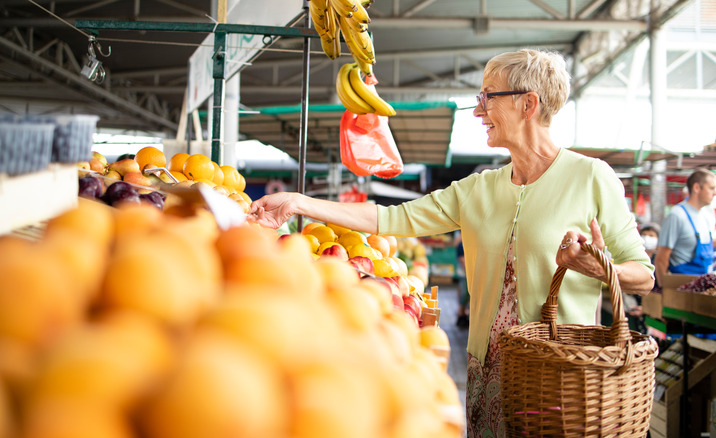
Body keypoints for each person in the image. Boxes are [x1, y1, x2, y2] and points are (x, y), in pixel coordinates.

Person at [248, 49, 655, 437]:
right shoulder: (478, 188)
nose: (478, 111)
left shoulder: (592, 178)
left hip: (562, 377)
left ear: (528, 104)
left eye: (487, 97)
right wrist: (298, 203)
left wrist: (602, 269)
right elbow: (392, 218)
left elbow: (643, 277)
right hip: (487, 374)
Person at [654, 169, 716, 286]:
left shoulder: (706, 215)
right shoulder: (677, 215)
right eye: (711, 188)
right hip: (682, 287)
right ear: (697, 188)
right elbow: (661, 257)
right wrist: (665, 289)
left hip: (704, 284)